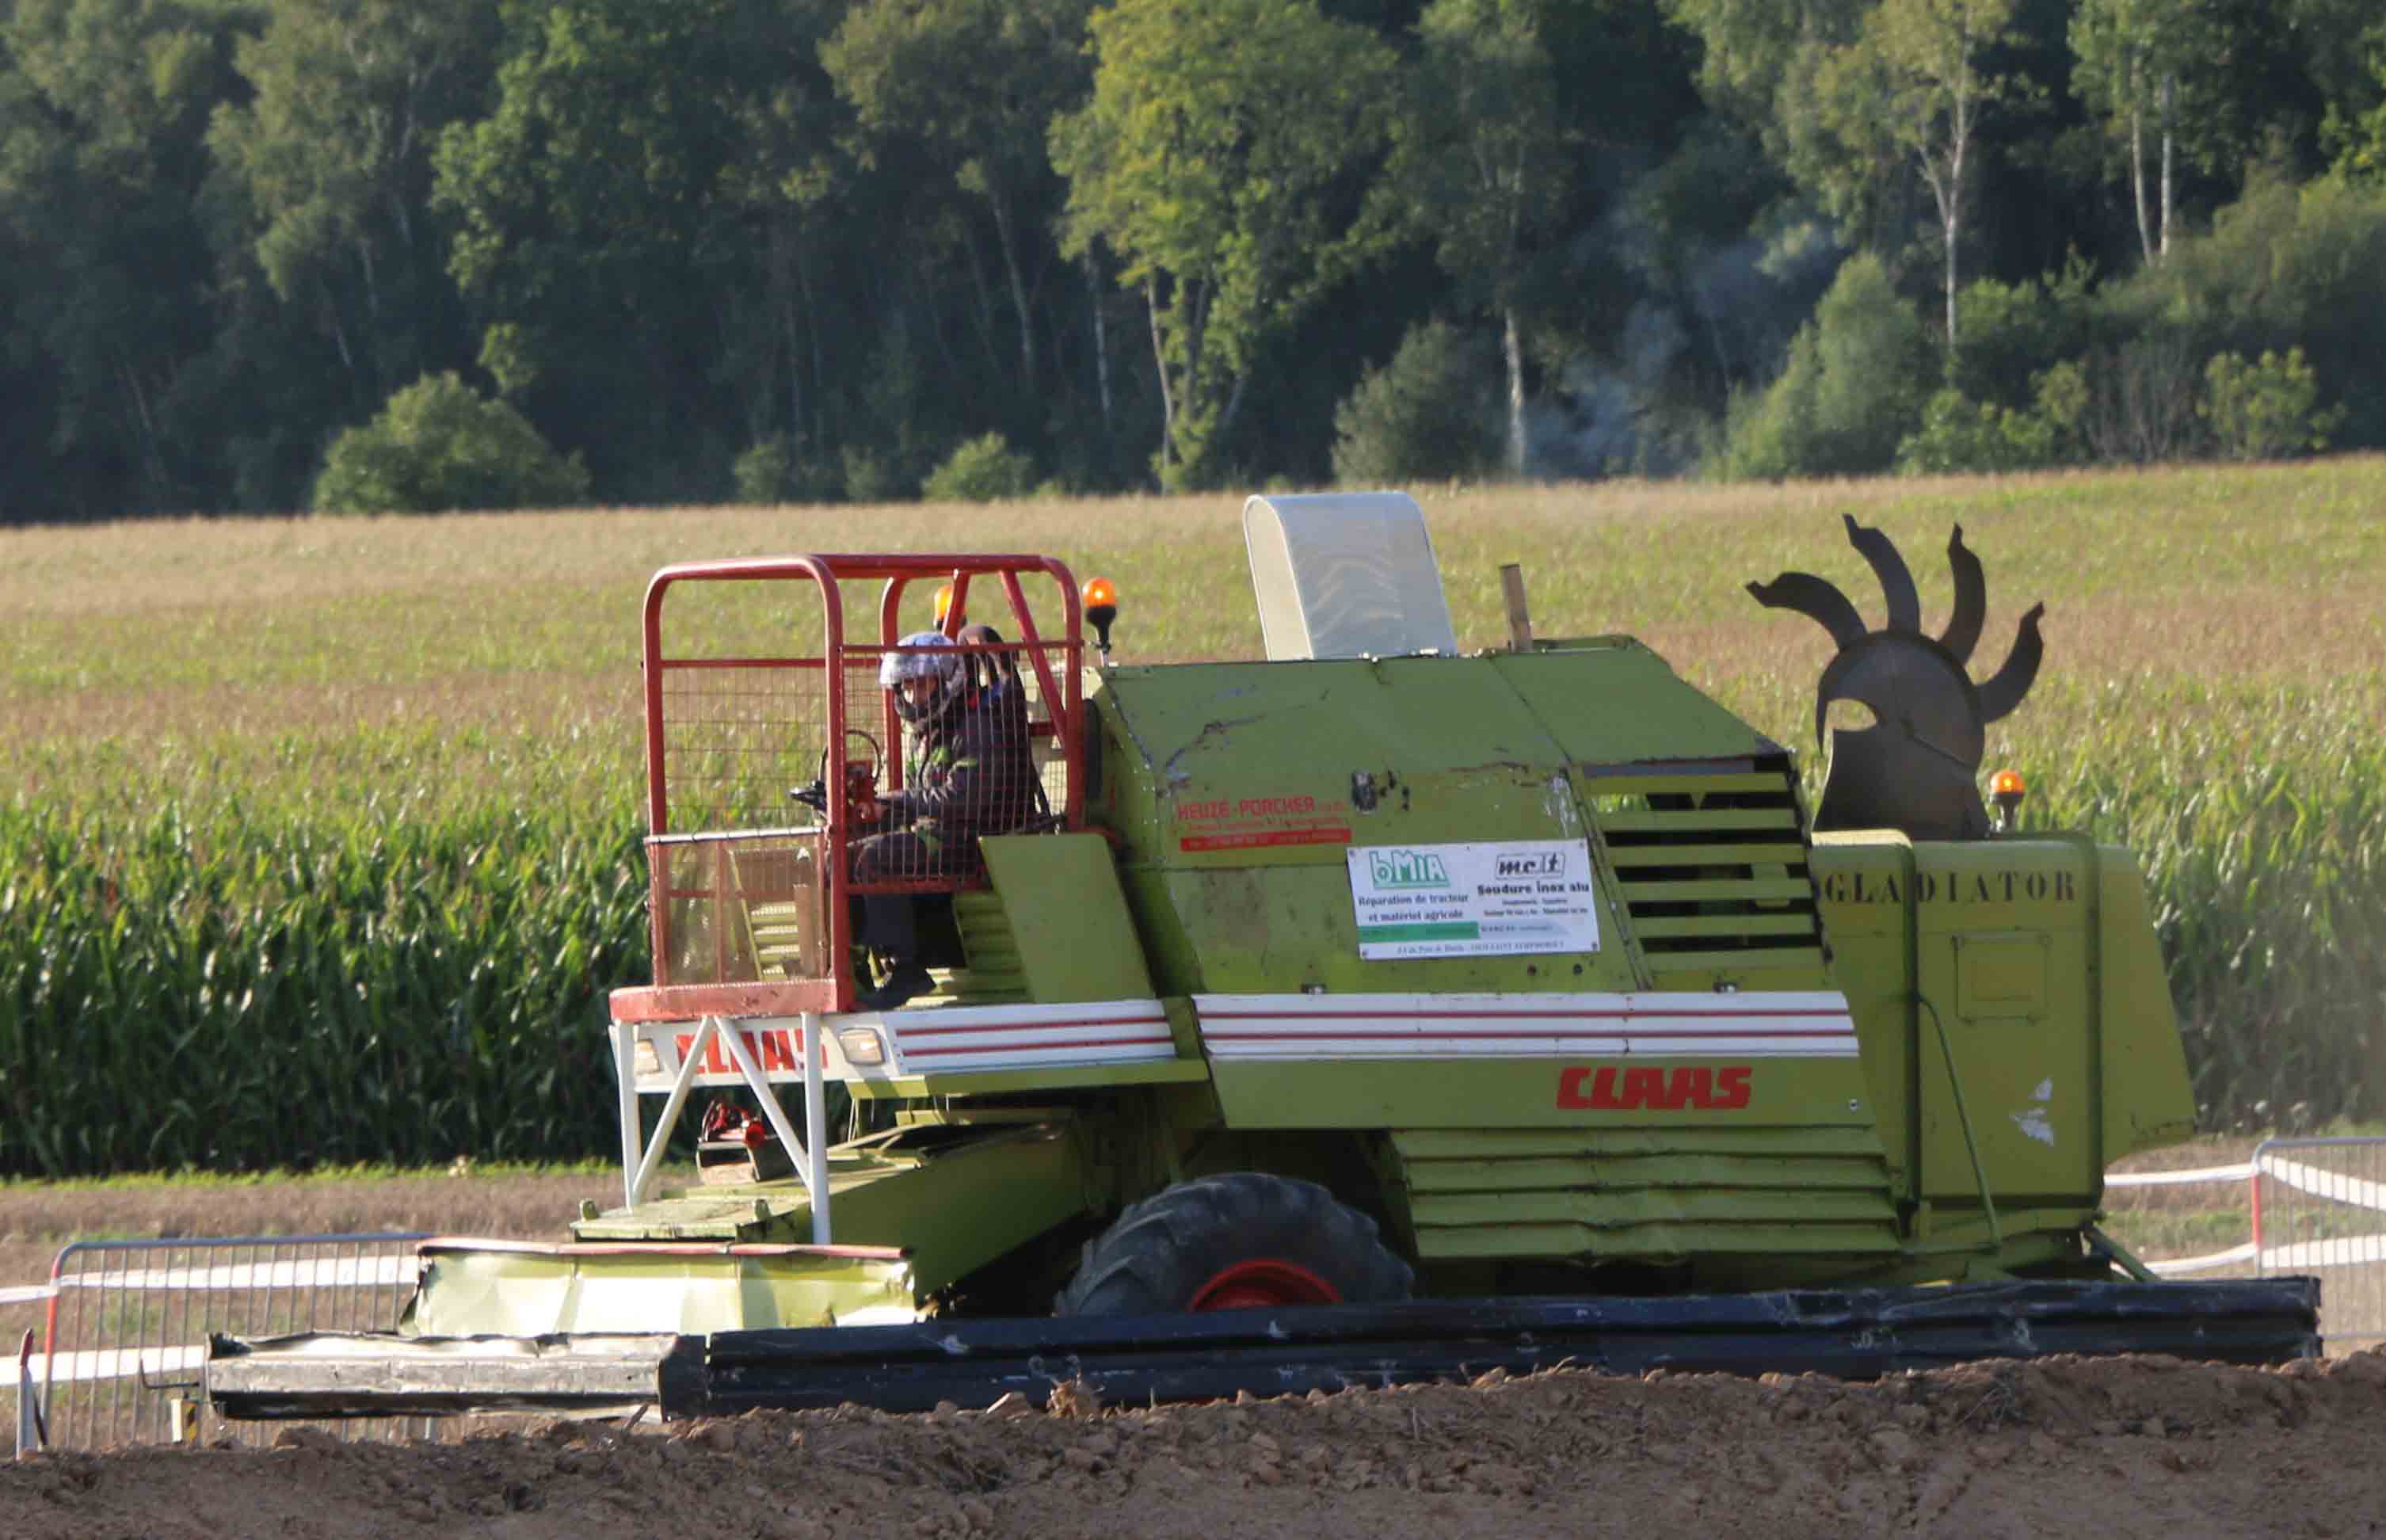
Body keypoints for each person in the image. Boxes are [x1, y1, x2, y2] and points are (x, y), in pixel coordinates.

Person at [848, 630, 1038, 1009]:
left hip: (970, 842)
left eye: (923, 685)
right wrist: (875, 809)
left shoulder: (974, 730)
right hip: (936, 837)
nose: (915, 696)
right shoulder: (925, 737)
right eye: (908, 687)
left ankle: (908, 968)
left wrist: (896, 803)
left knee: (874, 859)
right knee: (841, 854)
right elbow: (922, 801)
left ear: (946, 682)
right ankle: (853, 964)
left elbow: (964, 798)